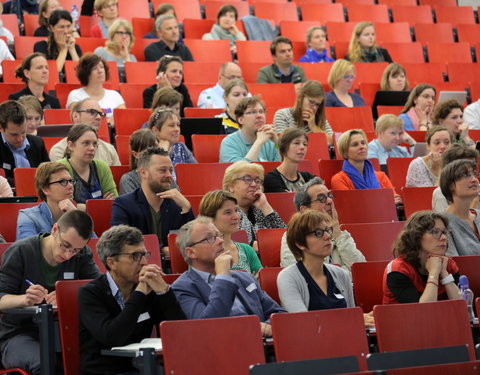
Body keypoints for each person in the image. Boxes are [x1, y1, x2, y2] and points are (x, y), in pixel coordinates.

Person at [0, 210, 100, 374]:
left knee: (96, 359)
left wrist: (68, 296)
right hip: (18, 334)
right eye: (65, 245)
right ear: (55, 230)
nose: (68, 255)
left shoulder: (82, 255)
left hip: (63, 331)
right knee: (46, 364)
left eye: (75, 250)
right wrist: (24, 299)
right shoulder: (21, 251)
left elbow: (99, 288)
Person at [78, 225, 185, 375]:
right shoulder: (90, 293)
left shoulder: (148, 288)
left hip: (143, 367)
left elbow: (178, 332)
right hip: (104, 370)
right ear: (111, 262)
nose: (143, 262)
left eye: (144, 255)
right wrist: (139, 293)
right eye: (135, 256)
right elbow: (112, 336)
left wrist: (164, 292)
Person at [172, 216, 286, 336]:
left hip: (260, 346)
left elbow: (280, 315)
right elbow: (207, 327)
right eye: (209, 238)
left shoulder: (245, 278)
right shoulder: (182, 288)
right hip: (219, 351)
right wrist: (223, 278)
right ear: (191, 252)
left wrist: (265, 327)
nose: (220, 241)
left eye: (218, 235)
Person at [277, 210, 373, 325]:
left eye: (328, 230)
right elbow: (303, 322)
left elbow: (351, 316)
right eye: (318, 233)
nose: (328, 236)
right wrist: (354, 319)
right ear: (300, 243)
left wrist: (356, 319)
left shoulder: (342, 274)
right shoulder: (288, 277)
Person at [111, 147, 194, 255]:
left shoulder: (178, 204)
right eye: (162, 170)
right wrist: (160, 250)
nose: (169, 175)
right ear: (143, 173)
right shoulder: (124, 204)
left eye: (170, 170)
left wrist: (187, 208)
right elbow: (119, 242)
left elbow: (195, 242)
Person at [280, 177, 366, 272]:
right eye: (321, 198)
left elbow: (361, 271)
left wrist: (337, 232)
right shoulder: (294, 236)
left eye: (329, 195)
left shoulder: (339, 234)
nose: (329, 201)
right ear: (305, 210)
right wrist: (344, 272)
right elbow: (300, 275)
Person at [383, 210, 461, 304]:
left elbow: (463, 307)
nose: (443, 237)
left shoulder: (449, 265)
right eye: (435, 232)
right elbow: (422, 313)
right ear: (416, 236)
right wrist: (434, 273)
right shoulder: (398, 269)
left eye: (444, 232)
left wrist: (444, 273)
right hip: (404, 318)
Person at [199, 190, 263, 275]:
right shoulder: (201, 253)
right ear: (210, 218)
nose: (236, 217)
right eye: (228, 212)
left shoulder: (247, 250)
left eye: (236, 210)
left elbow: (260, 283)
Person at [223, 161, 286, 245]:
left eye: (257, 180)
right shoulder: (223, 212)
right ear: (230, 186)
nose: (254, 184)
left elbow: (287, 238)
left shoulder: (261, 210)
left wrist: (265, 207)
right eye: (247, 179)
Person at [331, 129, 401, 204]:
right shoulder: (339, 179)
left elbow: (396, 201)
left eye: (363, 143)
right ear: (345, 151)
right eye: (355, 144)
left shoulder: (381, 176)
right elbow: (351, 206)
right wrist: (385, 201)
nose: (361, 147)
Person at [58, 124, 118, 208]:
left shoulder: (102, 167)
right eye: (86, 143)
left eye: (94, 144)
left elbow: (114, 204)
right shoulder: (60, 168)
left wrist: (80, 207)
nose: (92, 148)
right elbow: (64, 207)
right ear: (71, 145)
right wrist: (101, 205)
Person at [49, 98, 120, 166]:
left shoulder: (110, 150)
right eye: (92, 112)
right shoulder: (59, 150)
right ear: (76, 116)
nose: (99, 117)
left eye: (100, 114)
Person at [17, 161, 77, 240]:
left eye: (71, 181)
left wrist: (77, 218)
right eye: (62, 181)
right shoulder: (29, 217)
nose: (70, 186)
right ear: (45, 189)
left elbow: (93, 246)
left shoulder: (74, 213)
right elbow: (27, 249)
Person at [66, 53, 126, 126]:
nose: (100, 71)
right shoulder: (75, 95)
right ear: (86, 73)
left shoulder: (115, 95)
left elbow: (123, 117)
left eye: (101, 67)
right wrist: (107, 123)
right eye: (94, 68)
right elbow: (77, 120)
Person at [0, 100, 49, 186]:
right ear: (1, 128)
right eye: (14, 134)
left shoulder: (37, 143)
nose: (20, 139)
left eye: (23, 132)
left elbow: (49, 173)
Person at [219, 96, 279, 163]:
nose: (259, 116)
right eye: (252, 112)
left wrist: (278, 143)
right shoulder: (229, 142)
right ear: (241, 120)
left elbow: (283, 169)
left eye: (261, 111)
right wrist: (259, 142)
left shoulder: (270, 140)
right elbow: (238, 171)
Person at [273, 80, 333, 145]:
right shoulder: (282, 115)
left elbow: (332, 142)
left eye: (317, 104)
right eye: (311, 102)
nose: (315, 108)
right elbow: (281, 145)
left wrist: (313, 127)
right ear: (299, 97)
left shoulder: (320, 119)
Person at [440, 159, 480, 256]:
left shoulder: (478, 214)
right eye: (466, 175)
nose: (474, 179)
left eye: (475, 174)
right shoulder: (442, 223)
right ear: (450, 185)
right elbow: (454, 264)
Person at [148, 108, 197, 178]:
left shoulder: (181, 147)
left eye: (178, 125)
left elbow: (197, 172)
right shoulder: (148, 151)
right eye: (171, 125)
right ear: (155, 130)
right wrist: (163, 152)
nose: (177, 129)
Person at [264, 128, 315, 193]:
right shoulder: (271, 179)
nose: (302, 147)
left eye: (305, 144)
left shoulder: (308, 177)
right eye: (296, 143)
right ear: (283, 147)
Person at [432, 143, 479, 212]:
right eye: (465, 173)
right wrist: (475, 201)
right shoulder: (440, 193)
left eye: (473, 170)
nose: (473, 178)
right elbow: (446, 221)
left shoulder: (476, 188)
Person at [119, 129, 158, 195]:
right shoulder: (128, 179)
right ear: (136, 154)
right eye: (148, 150)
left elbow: (177, 201)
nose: (154, 153)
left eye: (156, 148)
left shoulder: (165, 174)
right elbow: (132, 204)